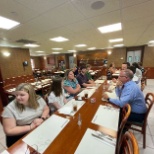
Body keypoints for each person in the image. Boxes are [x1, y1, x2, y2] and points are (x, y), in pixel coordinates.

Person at [2, 83, 50, 147]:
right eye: (16, 95)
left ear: (31, 95)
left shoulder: (38, 99)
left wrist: (42, 118)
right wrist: (31, 127)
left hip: (37, 128)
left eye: (22, 95)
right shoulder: (10, 109)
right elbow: (9, 130)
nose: (18, 98)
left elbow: (46, 109)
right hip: (21, 135)